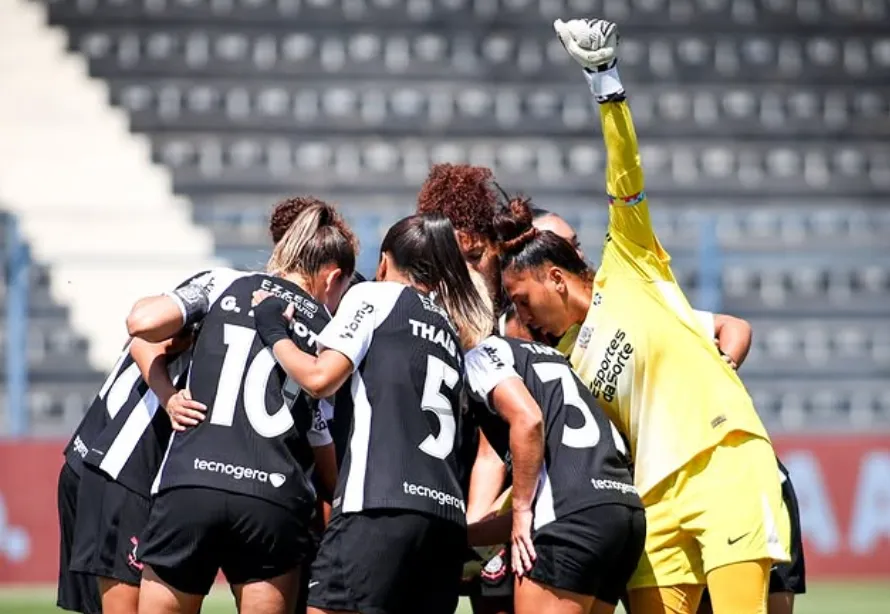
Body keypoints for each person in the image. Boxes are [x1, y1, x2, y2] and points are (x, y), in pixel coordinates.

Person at [491, 17, 790, 614]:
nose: (520, 315)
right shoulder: (565, 357)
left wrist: (606, 82)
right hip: (653, 501)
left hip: (724, 463)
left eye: (522, 300)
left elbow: (624, 173)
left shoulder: (631, 267)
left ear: (555, 276)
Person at [250, 212, 491, 614]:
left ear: (383, 261)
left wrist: (272, 328)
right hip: (445, 521)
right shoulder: (450, 327)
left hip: (379, 507)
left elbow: (319, 378)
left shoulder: (374, 296)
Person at [125, 203, 355, 614]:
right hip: (272, 499)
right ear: (333, 277)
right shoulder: (331, 330)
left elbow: (141, 322)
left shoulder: (225, 281)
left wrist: (170, 387)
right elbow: (324, 434)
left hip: (191, 484)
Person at [465, 317, 645, 614]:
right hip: (623, 516)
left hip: (573, 524)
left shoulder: (487, 354)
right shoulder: (568, 369)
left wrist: (521, 510)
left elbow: (528, 420)